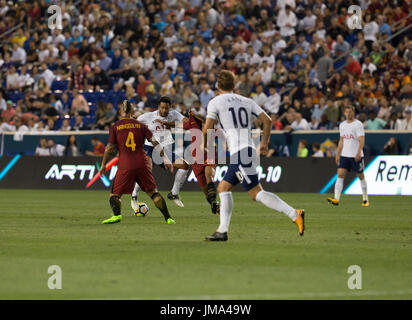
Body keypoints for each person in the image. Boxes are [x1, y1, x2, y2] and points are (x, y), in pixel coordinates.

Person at [202, 70, 305, 241]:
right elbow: (268, 121)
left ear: (218, 85)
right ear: (234, 85)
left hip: (241, 152)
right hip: (245, 150)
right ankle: (222, 231)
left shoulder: (215, 102)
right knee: (224, 188)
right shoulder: (246, 101)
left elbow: (207, 128)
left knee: (256, 193)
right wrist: (264, 143)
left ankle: (295, 214)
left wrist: (204, 146)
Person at [99, 100, 176, 225]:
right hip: (142, 163)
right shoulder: (141, 125)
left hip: (126, 164)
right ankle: (168, 218)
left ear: (120, 111)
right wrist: (165, 158)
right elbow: (155, 142)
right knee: (153, 193)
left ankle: (117, 216)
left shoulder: (116, 127)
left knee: (114, 194)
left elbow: (109, 148)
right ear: (132, 111)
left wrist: (103, 164)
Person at [132, 96, 189, 209]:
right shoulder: (148, 116)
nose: (164, 111)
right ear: (158, 106)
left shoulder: (174, 115)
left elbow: (187, 124)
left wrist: (168, 124)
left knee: (185, 165)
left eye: (166, 108)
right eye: (162, 108)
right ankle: (134, 195)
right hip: (149, 148)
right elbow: (134, 123)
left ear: (170, 107)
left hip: (164, 151)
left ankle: (174, 194)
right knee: (147, 170)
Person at [327, 105, 369, 207]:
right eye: (347, 112)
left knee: (360, 175)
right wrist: (338, 153)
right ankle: (336, 199)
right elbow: (341, 140)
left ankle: (365, 199)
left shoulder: (358, 124)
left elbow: (361, 139)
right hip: (345, 155)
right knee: (340, 174)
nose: (349, 114)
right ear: (344, 113)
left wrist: (359, 152)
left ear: (353, 113)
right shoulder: (342, 125)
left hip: (356, 155)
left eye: (350, 112)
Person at [182, 110, 219, 214]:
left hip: (209, 157)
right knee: (206, 194)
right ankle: (215, 203)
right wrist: (165, 124)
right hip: (196, 162)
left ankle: (214, 201)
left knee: (209, 174)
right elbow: (180, 125)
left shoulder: (212, 130)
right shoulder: (193, 127)